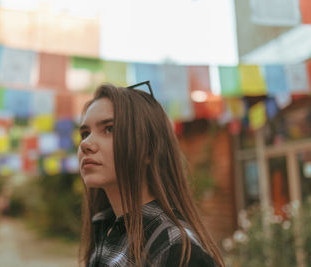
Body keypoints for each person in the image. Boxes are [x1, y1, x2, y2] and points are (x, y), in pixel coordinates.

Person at [77, 82, 224, 267]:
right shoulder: (107, 232)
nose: (85, 144)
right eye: (85, 133)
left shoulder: (177, 251)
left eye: (109, 129)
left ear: (148, 149)